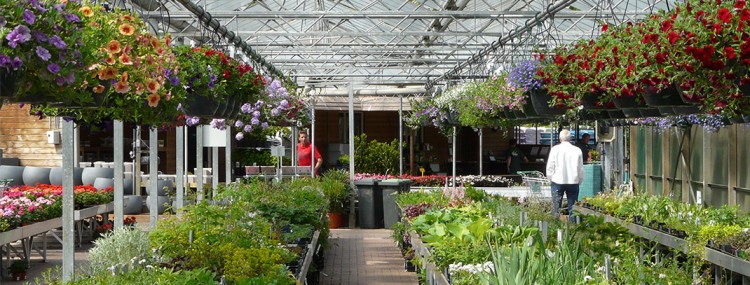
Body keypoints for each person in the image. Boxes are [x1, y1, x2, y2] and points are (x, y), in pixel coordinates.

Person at [546, 130, 584, 222]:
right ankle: (572, 228)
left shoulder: (555, 149)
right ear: (570, 139)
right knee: (573, 208)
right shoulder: (577, 150)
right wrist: (580, 180)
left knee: (556, 207)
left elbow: (550, 166)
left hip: (557, 181)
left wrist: (550, 178)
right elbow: (580, 168)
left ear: (560, 139)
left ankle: (554, 227)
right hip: (573, 181)